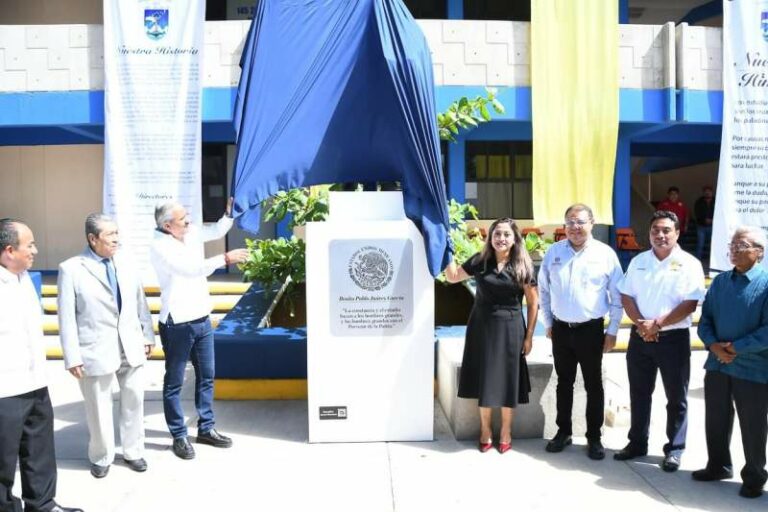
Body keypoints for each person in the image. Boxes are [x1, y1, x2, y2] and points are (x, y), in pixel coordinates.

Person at [57, 214, 155, 479]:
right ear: (93, 239)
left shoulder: (127, 262)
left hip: (130, 345)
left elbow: (140, 302)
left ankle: (133, 452)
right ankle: (101, 456)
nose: (116, 239)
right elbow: (66, 317)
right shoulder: (72, 269)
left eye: (117, 233)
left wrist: (147, 335)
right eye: (110, 234)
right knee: (98, 407)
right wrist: (72, 357)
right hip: (95, 349)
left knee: (134, 401)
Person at [150, 199, 249, 460]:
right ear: (168, 226)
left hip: (201, 317)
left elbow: (216, 230)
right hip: (178, 322)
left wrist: (228, 214)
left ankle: (206, 428)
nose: (189, 221)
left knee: (207, 375)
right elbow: (190, 270)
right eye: (183, 218)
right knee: (174, 382)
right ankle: (179, 435)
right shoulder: (159, 246)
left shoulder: (188, 232)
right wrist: (225, 258)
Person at [0, 218, 83, 512]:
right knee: (3, 460)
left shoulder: (24, 279)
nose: (35, 250)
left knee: (39, 450)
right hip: (5, 390)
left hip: (35, 381)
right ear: (9, 250)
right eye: (30, 245)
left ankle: (43, 504)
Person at [614, 211, 705, 471]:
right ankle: (637, 443)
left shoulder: (690, 264)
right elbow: (626, 296)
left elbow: (690, 303)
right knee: (639, 393)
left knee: (676, 397)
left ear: (677, 233)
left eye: (666, 230)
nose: (660, 235)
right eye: (655, 230)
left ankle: (674, 449)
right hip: (640, 337)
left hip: (673, 340)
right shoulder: (639, 261)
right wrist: (642, 325)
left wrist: (657, 324)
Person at [444, 218, 538, 453]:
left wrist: (529, 336)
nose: (501, 238)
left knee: (508, 381)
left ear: (514, 239)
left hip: (511, 327)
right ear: (490, 237)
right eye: (497, 234)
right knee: (484, 379)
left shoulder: (523, 264)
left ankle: (506, 430)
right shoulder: (480, 260)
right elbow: (452, 276)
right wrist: (445, 249)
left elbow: (533, 303)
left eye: (506, 234)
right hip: (481, 327)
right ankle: (485, 429)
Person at [538, 203, 623, 460]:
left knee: (593, 384)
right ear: (564, 226)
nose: (575, 227)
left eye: (581, 222)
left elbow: (617, 296)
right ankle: (563, 431)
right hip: (561, 330)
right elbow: (543, 290)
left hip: (591, 330)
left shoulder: (605, 254)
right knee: (563, 382)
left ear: (592, 223)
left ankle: (594, 437)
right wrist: (548, 323)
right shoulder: (554, 252)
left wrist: (612, 331)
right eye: (570, 222)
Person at [694, 226, 768, 499]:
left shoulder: (765, 284)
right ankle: (718, 465)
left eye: (742, 245)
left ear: (759, 252)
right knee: (716, 418)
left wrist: (736, 348)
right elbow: (706, 320)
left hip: (752, 367)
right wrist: (714, 345)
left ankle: (754, 477)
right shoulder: (720, 282)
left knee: (753, 424)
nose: (734, 250)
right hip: (718, 363)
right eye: (732, 245)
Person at [693, 185, 715, 262]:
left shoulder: (716, 201)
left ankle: (713, 261)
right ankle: (697, 261)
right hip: (701, 226)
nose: (707, 193)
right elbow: (697, 213)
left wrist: (713, 220)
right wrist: (704, 220)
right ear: (703, 192)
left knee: (713, 245)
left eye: (709, 191)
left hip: (713, 226)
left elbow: (719, 212)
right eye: (706, 191)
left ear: (711, 192)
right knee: (700, 244)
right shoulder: (699, 202)